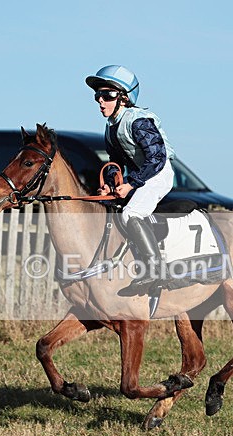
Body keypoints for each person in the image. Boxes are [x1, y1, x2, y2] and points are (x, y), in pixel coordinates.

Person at [85, 65, 176, 296]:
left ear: (124, 98)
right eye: (98, 95)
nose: (100, 101)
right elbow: (115, 162)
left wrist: (132, 183)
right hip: (141, 175)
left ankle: (156, 269)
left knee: (131, 214)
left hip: (158, 174)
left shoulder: (138, 121)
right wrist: (109, 183)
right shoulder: (110, 127)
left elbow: (157, 157)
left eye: (108, 95)